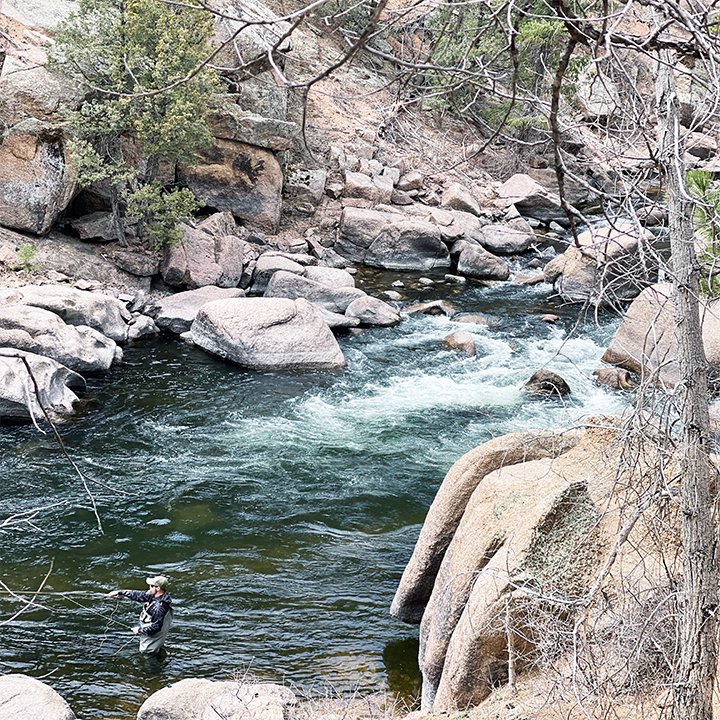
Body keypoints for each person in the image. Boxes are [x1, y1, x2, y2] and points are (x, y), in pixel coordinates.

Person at [107, 576, 174, 654]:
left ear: (158, 588)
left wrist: (139, 630)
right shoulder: (155, 595)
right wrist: (120, 592)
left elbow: (155, 628)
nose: (149, 587)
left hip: (154, 633)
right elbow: (138, 595)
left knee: (147, 653)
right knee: (157, 648)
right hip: (157, 629)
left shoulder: (158, 607)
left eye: (151, 586)